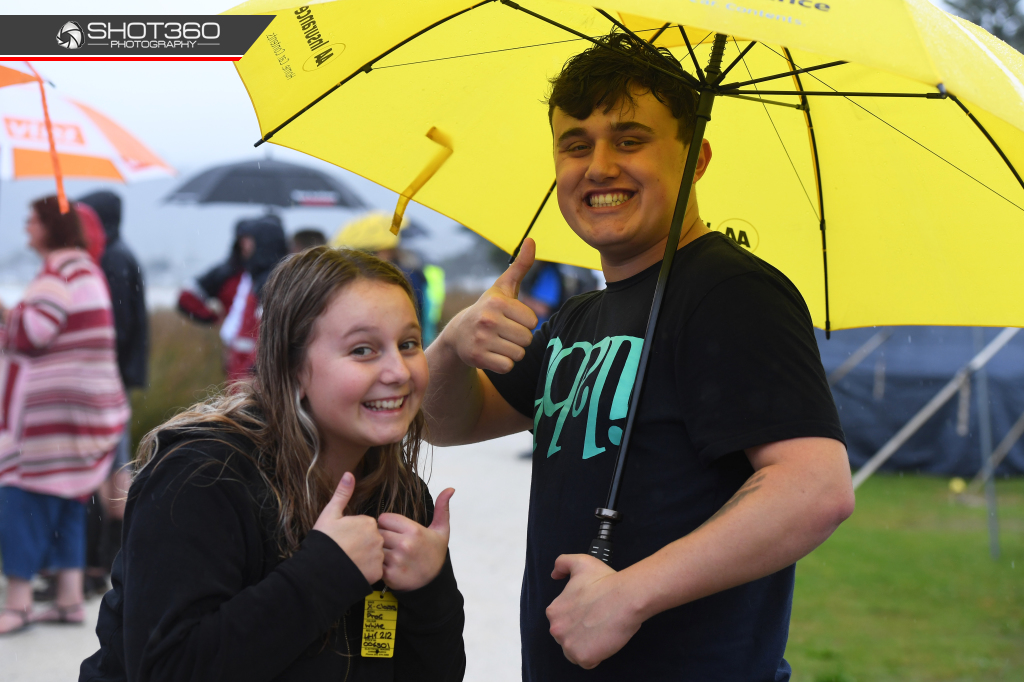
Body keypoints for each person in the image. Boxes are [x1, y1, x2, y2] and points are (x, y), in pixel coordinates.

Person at [423, 32, 854, 680]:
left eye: (630, 140)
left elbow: (815, 487)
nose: (598, 167)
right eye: (576, 145)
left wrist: (630, 594)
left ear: (696, 158)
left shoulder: (731, 292)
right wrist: (454, 345)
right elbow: (444, 422)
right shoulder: (580, 317)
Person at [80, 247, 465, 682]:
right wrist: (324, 574)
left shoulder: (400, 496)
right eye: (363, 350)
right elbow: (167, 670)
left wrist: (430, 593)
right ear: (291, 366)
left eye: (409, 344)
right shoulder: (201, 478)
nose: (399, 371)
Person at [0, 196, 128, 635]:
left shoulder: (57, 274)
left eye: (33, 220)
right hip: (86, 412)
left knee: (21, 496)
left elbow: (33, 333)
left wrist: (6, 313)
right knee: (69, 499)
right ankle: (69, 598)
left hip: (48, 418)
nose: (26, 227)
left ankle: (17, 603)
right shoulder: (86, 270)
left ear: (51, 227)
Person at [79, 190, 150, 597]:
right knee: (114, 466)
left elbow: (116, 327)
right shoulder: (121, 254)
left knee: (111, 470)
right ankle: (109, 564)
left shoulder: (112, 259)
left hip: (110, 379)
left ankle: (104, 564)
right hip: (118, 377)